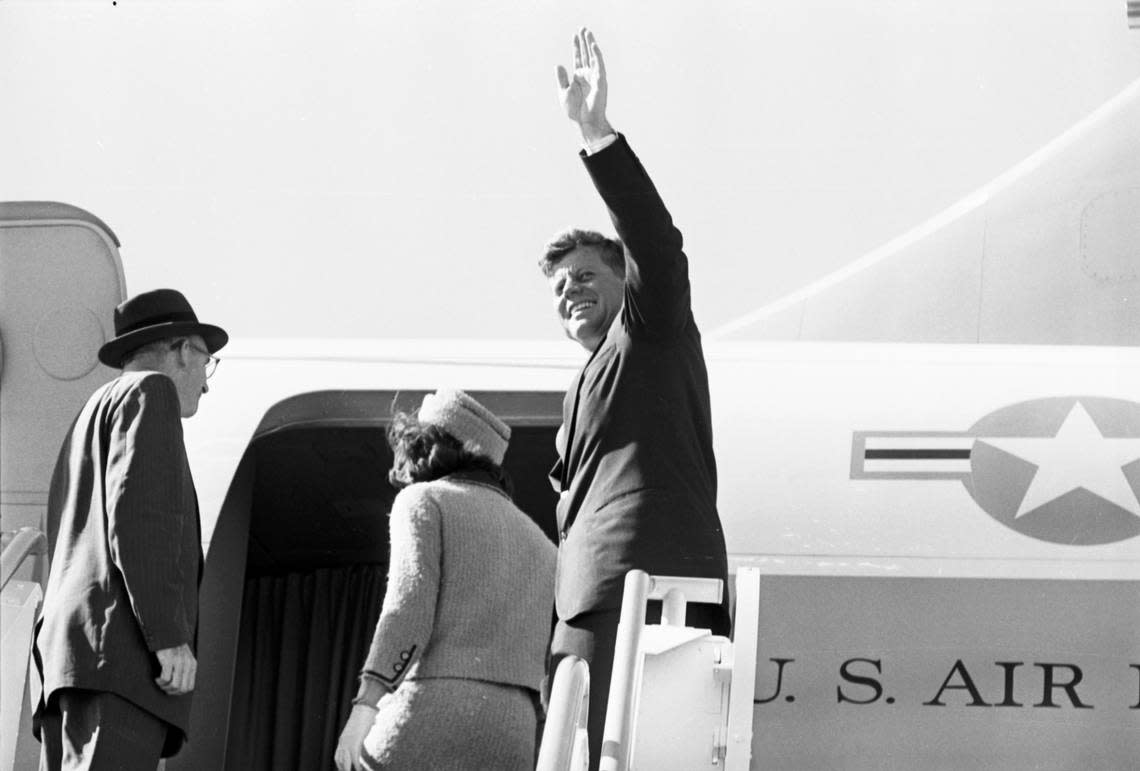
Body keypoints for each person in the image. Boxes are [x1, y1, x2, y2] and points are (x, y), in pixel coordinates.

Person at [541, 29, 732, 768]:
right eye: (560, 287)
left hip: (645, 582)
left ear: (624, 283)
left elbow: (656, 240)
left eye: (586, 274)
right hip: (587, 599)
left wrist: (596, 135)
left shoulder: (649, 332)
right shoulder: (583, 383)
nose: (571, 290)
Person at [32, 288, 227, 770]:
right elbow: (142, 519)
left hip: (70, 662)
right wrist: (167, 636)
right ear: (183, 350)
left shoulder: (87, 415)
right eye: (207, 361)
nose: (205, 382)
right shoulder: (151, 392)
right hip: (117, 660)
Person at [334, 389, 556, 771]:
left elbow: (407, 612)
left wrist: (365, 707)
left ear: (427, 446)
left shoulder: (423, 500)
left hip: (434, 712)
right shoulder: (543, 544)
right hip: (514, 732)